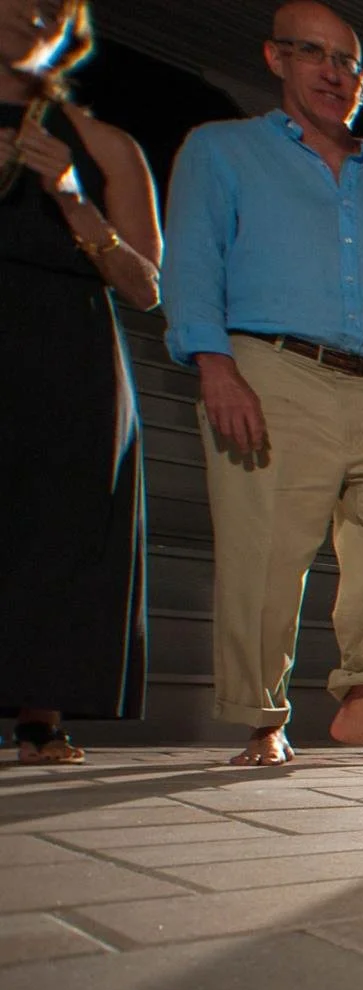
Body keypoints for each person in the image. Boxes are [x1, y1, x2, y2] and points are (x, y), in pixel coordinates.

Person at [160, 1, 363, 768]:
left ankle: (362, 701)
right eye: (314, 54)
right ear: (276, 58)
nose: (333, 73)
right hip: (269, 368)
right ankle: (263, 718)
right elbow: (192, 262)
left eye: (348, 62)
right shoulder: (222, 152)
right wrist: (214, 362)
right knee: (267, 551)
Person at [0, 0, 159, 765]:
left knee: (58, 524)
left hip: (70, 350)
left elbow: (145, 286)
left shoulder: (104, 144)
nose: (30, 15)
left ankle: (40, 714)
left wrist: (71, 196)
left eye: (50, 9)